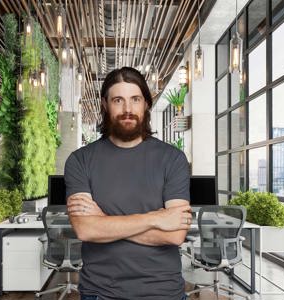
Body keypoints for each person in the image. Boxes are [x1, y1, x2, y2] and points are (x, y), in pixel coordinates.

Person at [64, 67, 192, 300]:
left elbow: (175, 235)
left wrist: (104, 222)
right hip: (100, 293)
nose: (127, 110)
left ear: (146, 104)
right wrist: (156, 218)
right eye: (118, 100)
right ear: (105, 104)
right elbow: (85, 229)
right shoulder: (80, 160)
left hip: (164, 292)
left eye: (135, 99)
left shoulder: (173, 159)